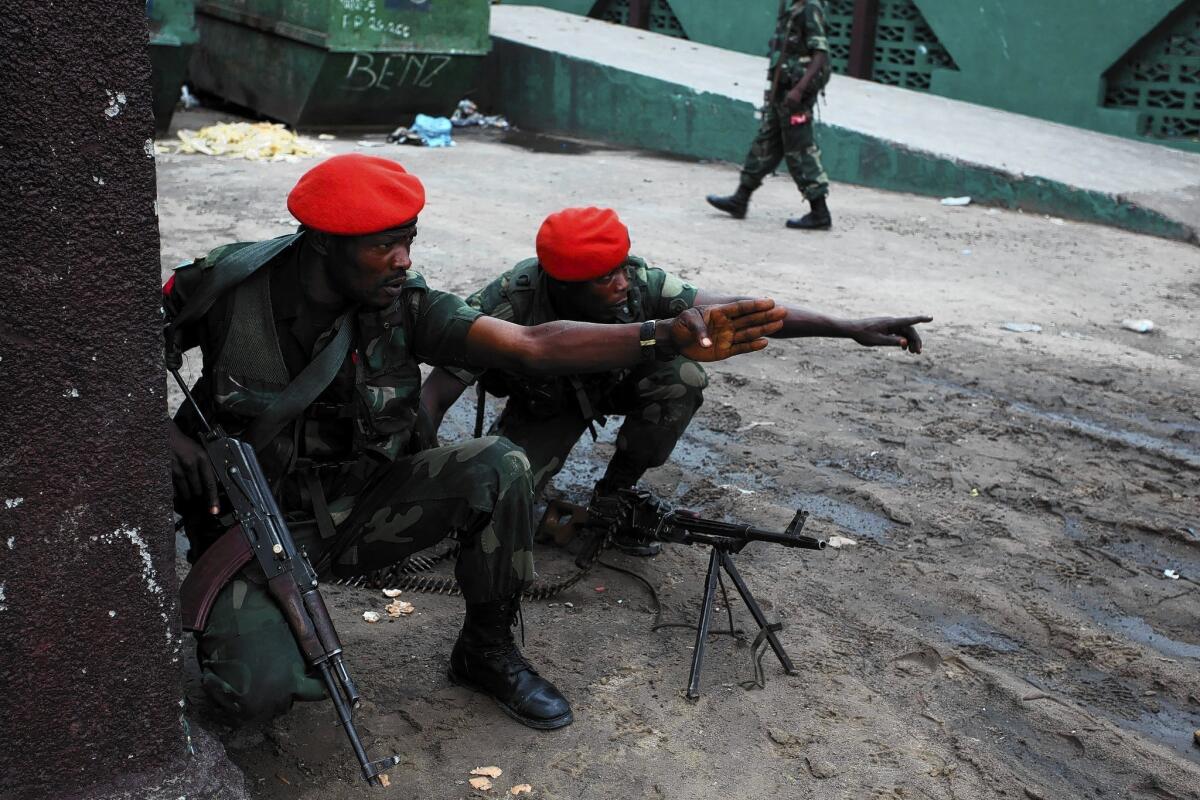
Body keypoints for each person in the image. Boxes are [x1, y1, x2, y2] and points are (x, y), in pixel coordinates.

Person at [164, 154, 786, 731]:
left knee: (499, 465)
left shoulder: (404, 304)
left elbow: (531, 345)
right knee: (257, 694)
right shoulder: (228, 284)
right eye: (385, 245)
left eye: (409, 240)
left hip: (366, 509)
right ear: (324, 243)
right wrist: (163, 435)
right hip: (252, 523)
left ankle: (485, 650)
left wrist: (660, 337)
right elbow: (114, 343)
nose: (404, 259)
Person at [419, 207, 931, 554]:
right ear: (562, 283)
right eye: (604, 278)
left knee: (682, 376)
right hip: (545, 402)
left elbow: (741, 314)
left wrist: (848, 328)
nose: (622, 284)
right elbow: (438, 392)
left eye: (623, 269)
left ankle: (614, 499)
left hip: (616, 383)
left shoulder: (638, 284)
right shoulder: (508, 302)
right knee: (493, 512)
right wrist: (414, 471)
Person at [707, 0, 834, 230]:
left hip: (796, 95)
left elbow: (820, 54)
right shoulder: (792, 8)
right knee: (765, 143)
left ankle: (820, 212)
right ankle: (740, 199)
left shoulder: (809, 8)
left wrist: (799, 90)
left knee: (799, 150)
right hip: (783, 95)